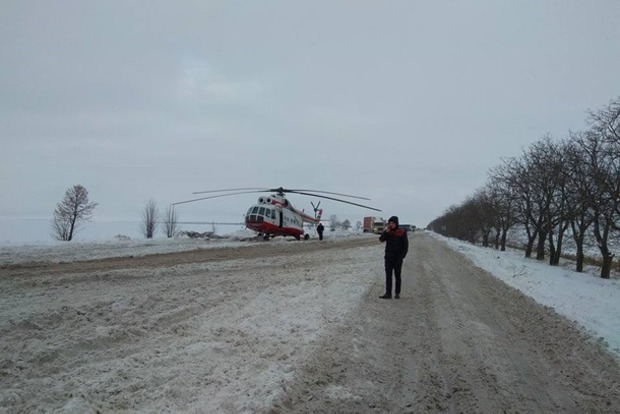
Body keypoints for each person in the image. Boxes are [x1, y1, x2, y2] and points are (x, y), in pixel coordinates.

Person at [379, 216, 408, 299]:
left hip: (398, 258)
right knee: (388, 276)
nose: (391, 225)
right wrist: (385, 232)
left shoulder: (402, 232)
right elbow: (381, 240)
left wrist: (402, 257)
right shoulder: (388, 232)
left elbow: (405, 246)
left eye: (392, 223)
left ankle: (397, 293)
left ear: (396, 223)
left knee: (397, 276)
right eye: (390, 223)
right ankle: (388, 294)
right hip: (388, 257)